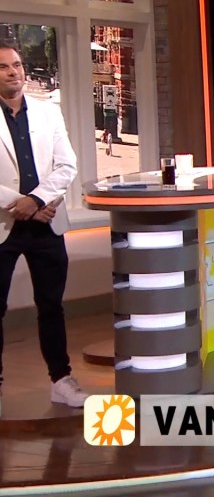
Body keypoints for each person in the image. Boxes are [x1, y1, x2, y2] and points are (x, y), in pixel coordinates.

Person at [0, 41, 87, 416]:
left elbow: (67, 165)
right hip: (3, 225)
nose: (13, 72)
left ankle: (61, 380)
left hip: (47, 223)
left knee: (51, 305)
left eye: (17, 65)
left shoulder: (48, 112)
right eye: (4, 67)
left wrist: (35, 201)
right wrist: (19, 204)